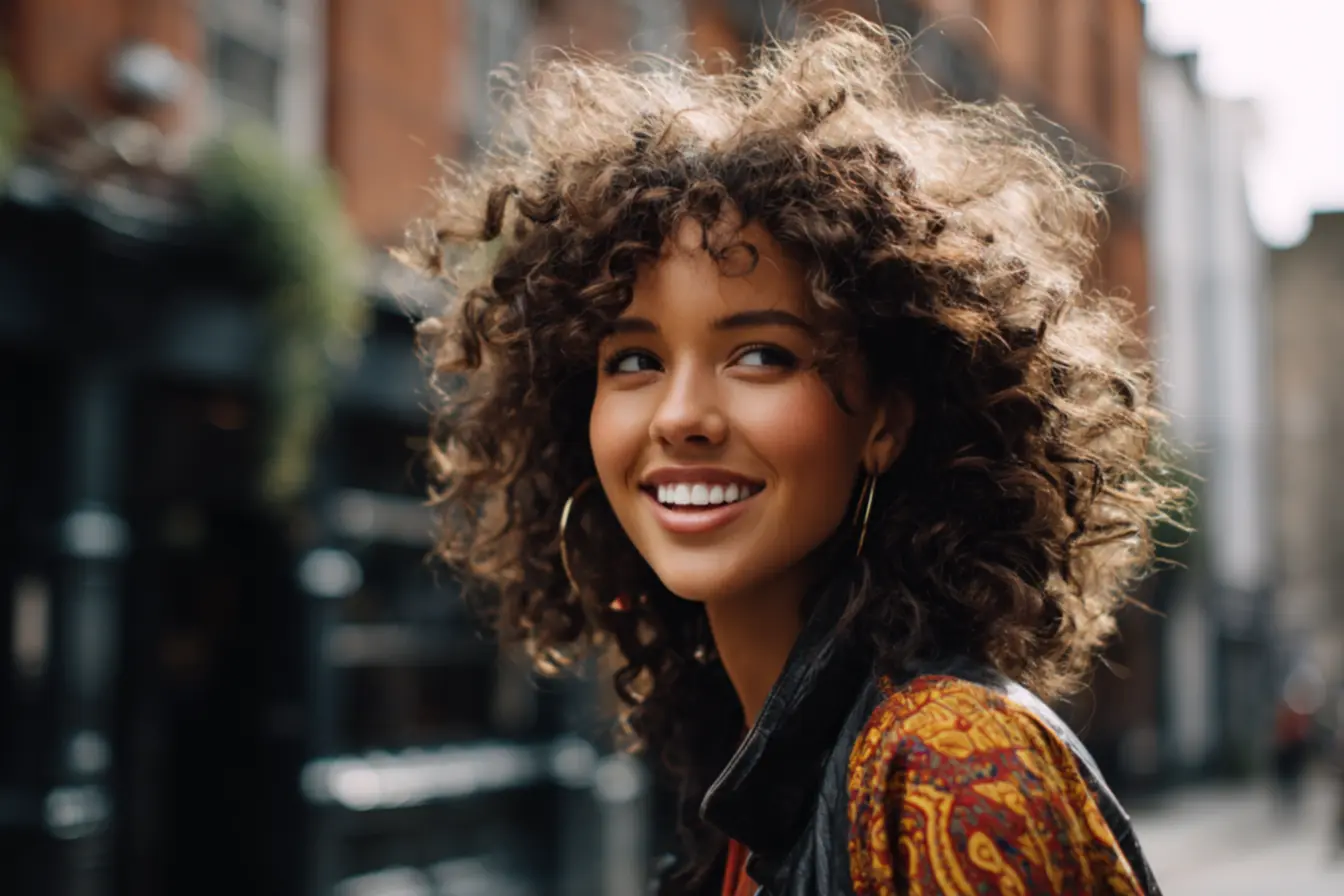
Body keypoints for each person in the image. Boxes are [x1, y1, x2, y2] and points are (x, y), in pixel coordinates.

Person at [408, 16, 1176, 895]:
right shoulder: (741, 767)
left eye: (761, 354)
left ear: (886, 418)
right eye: (633, 360)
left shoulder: (952, 764)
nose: (681, 415)